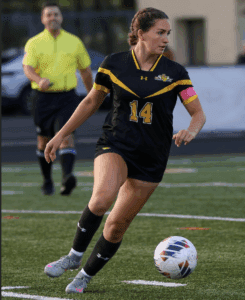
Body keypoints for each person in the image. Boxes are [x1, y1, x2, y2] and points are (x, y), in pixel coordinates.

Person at [43, 7, 206, 294]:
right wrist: (60, 135)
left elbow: (198, 114)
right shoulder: (113, 64)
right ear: (141, 33)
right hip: (115, 144)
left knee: (117, 225)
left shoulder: (175, 72)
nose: (166, 38)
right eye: (160, 32)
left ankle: (84, 276)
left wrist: (190, 131)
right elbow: (90, 103)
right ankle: (74, 255)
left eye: (168, 33)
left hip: (152, 157)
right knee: (102, 197)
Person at [23, 1, 93, 195]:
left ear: (61, 17)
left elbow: (85, 71)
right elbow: (27, 68)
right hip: (42, 98)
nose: (53, 18)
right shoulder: (34, 43)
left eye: (56, 14)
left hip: (67, 97)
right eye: (49, 15)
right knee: (43, 141)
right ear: (43, 19)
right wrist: (39, 79)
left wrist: (93, 95)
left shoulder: (74, 41)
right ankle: (47, 181)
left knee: (66, 136)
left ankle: (67, 178)